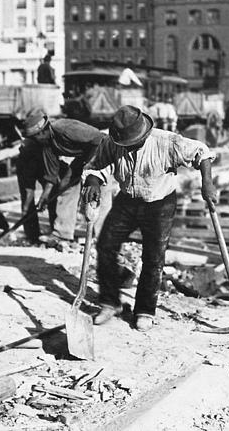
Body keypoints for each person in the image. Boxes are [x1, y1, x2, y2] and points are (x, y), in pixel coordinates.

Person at [80, 105, 217, 332]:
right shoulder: (111, 142)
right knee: (105, 245)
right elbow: (97, 166)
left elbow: (201, 152)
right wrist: (93, 181)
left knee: (153, 258)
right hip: (127, 200)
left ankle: (144, 310)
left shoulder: (167, 141)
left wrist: (207, 182)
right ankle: (110, 302)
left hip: (159, 203)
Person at [15, 108, 106, 244]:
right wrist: (45, 196)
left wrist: (90, 165)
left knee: (98, 190)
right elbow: (51, 174)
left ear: (43, 132)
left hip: (103, 153)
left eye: (35, 137)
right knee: (65, 186)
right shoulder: (47, 144)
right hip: (83, 158)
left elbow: (99, 139)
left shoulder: (65, 129)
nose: (34, 141)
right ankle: (62, 234)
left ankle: (101, 237)